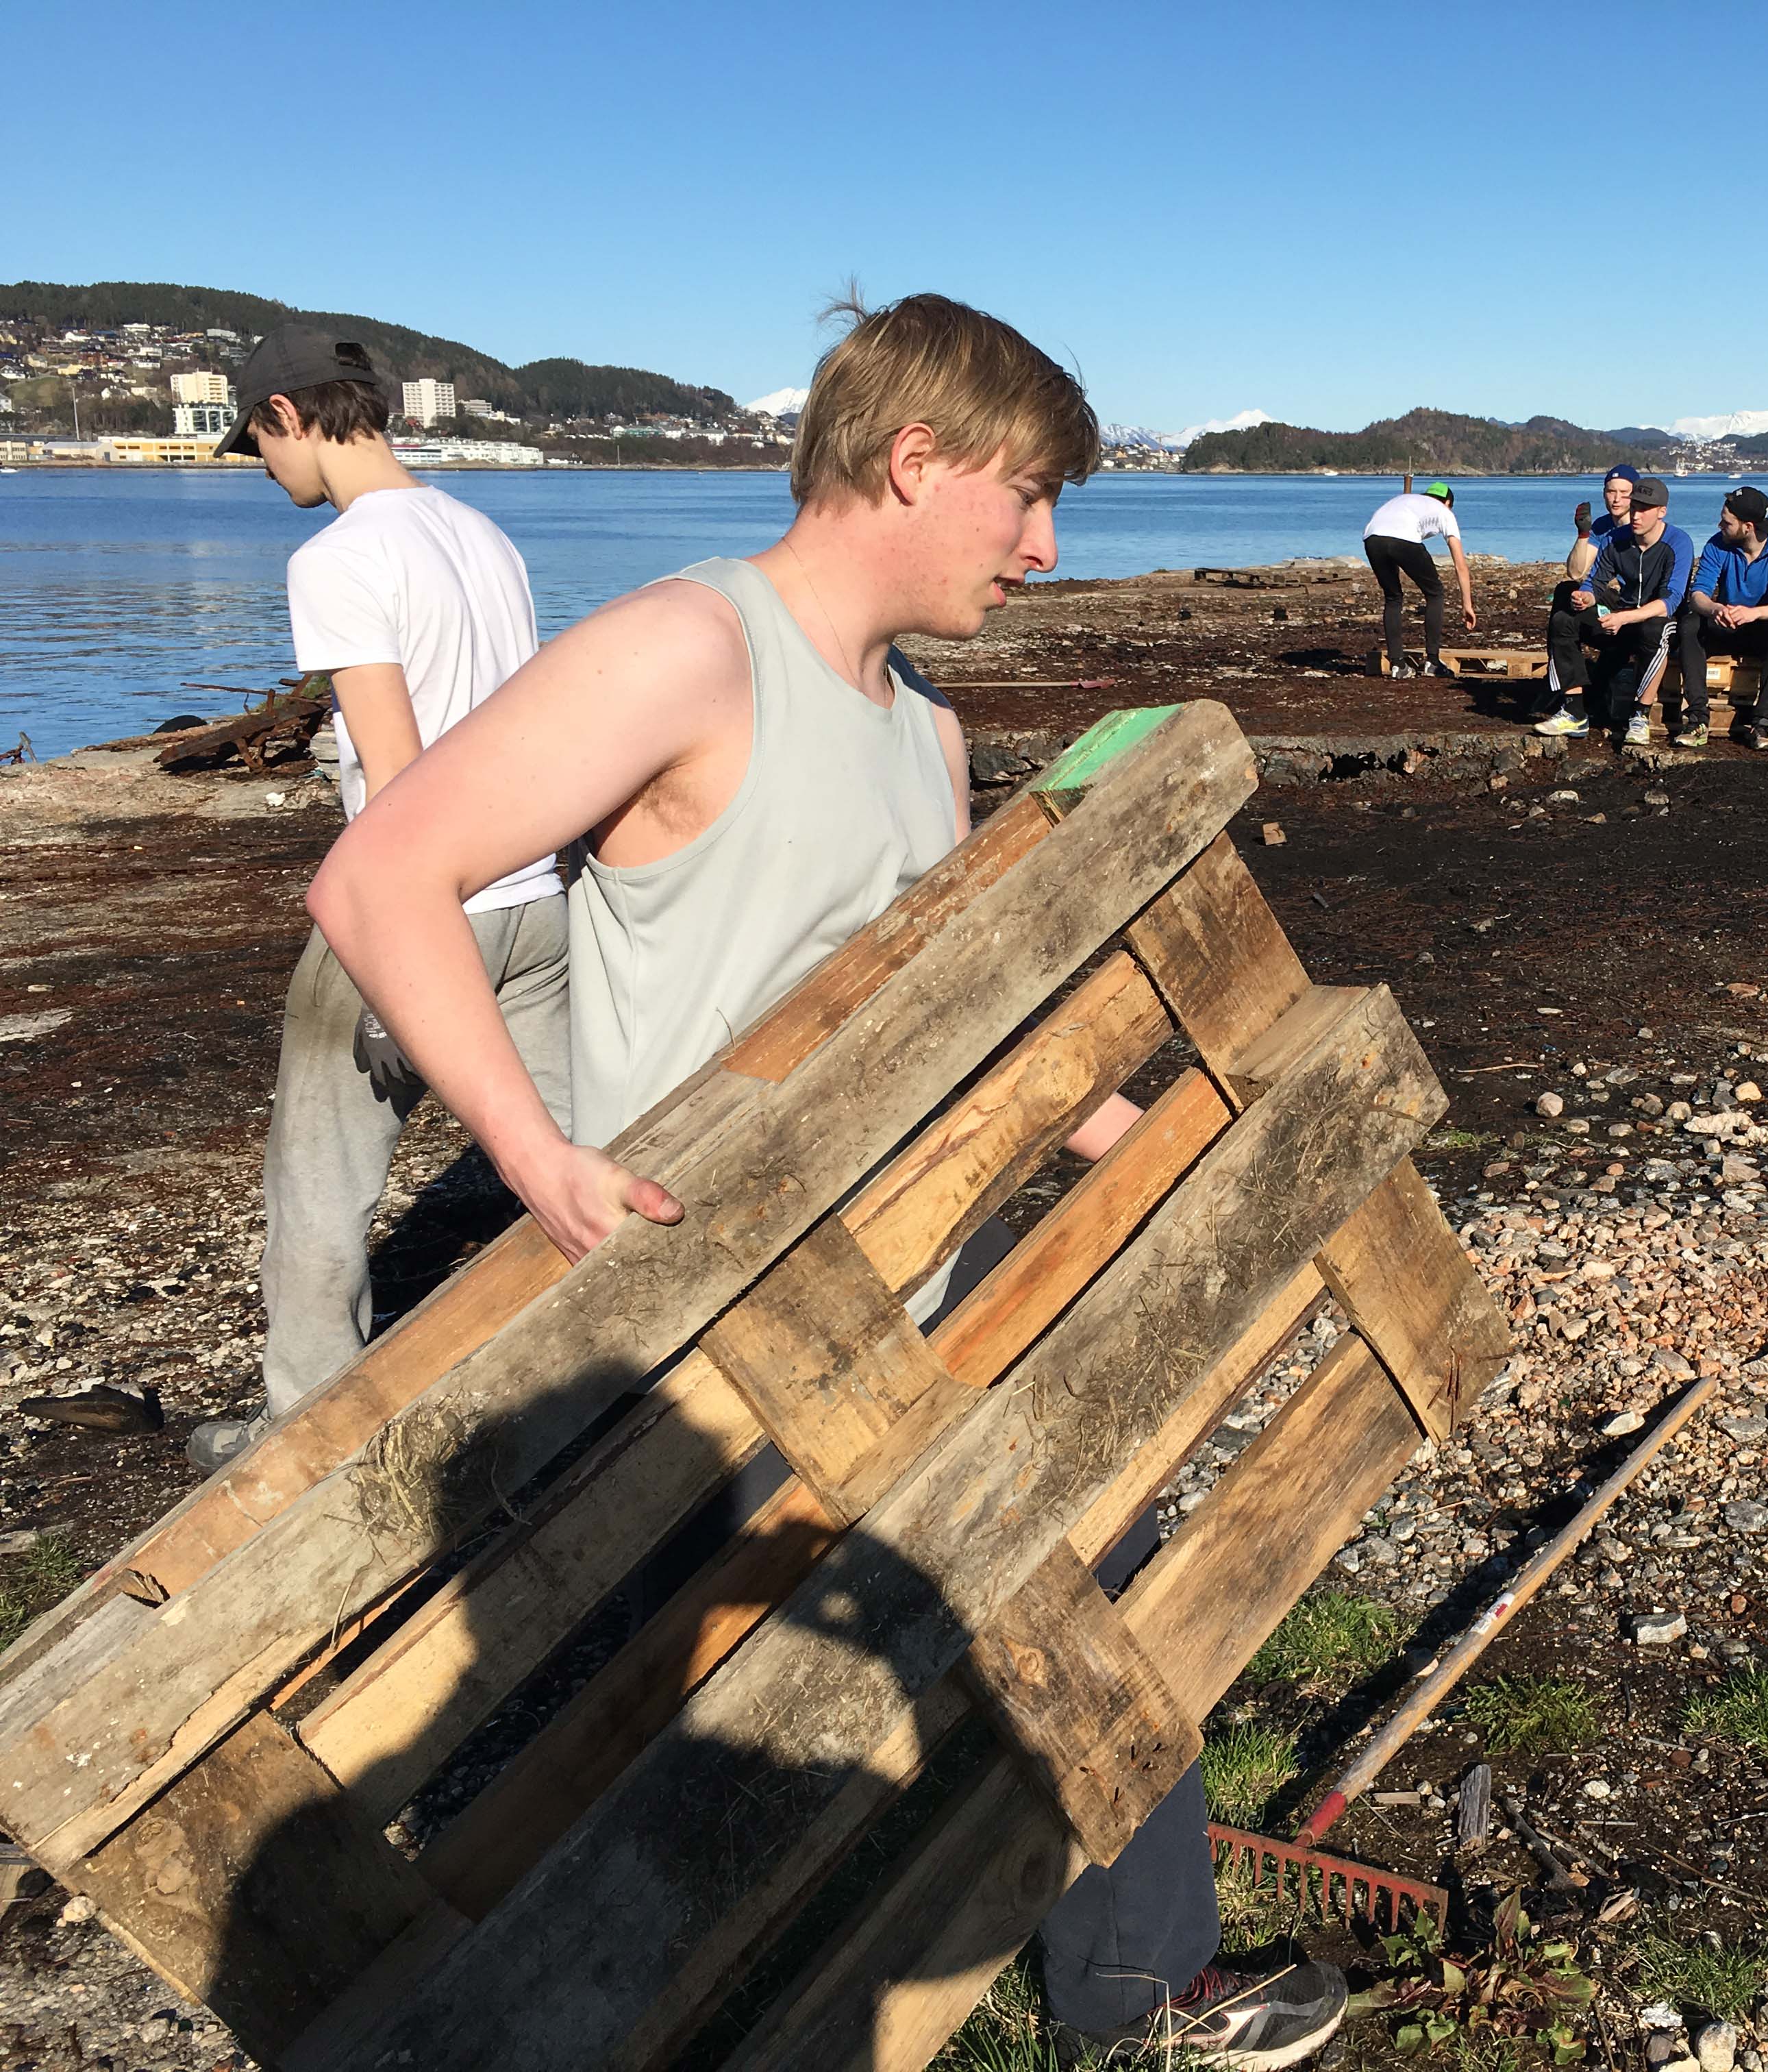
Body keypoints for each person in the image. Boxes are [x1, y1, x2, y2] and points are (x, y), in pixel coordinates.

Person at [306, 292, 1350, 2070]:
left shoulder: (924, 732)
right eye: (1027, 495)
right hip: (704, 1348)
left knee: (1104, 1544)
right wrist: (533, 1149)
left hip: (909, 1300)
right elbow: (381, 877)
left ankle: (1133, 1983)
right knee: (717, 1761)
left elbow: (940, 1033)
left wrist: (1155, 1146)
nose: (1045, 545)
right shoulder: (687, 652)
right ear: (912, 457)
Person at [186, 324, 571, 1472]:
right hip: (536, 892)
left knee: (320, 1178)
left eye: (258, 440)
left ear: (290, 415)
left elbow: (399, 782)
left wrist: (406, 959)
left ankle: (303, 1433)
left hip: (417, 902)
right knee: (566, 1154)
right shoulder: (483, 535)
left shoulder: (341, 557)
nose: (264, 469)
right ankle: (613, 1387)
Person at [1532, 475, 1686, 747]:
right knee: (1564, 619)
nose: (1636, 515)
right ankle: (1574, 710)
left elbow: (1670, 601)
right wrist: (1586, 598)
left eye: (1644, 509)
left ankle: (1640, 715)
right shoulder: (1616, 539)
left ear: (1662, 512)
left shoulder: (1678, 542)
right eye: (1634, 507)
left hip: (1658, 621)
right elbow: (1595, 581)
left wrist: (1624, 618)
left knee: (1656, 628)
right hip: (1622, 614)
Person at [1678, 484, 1768, 751]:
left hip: (1760, 630)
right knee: (1690, 624)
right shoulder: (1717, 544)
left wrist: (1753, 613)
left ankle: (1763, 721)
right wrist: (1715, 609)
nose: (1719, 525)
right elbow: (1698, 594)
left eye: (1726, 522)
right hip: (1725, 625)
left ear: (1748, 526)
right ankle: (1698, 716)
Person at [1532, 462, 1638, 726]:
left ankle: (1560, 685)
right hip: (1602, 599)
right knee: (1564, 596)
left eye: (1624, 493)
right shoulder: (1602, 527)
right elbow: (1577, 572)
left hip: (1632, 606)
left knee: (1564, 615)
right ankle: (1565, 687)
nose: (1616, 499)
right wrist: (1583, 532)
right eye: (1611, 492)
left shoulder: (1641, 526)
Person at [1360, 479, 1475, 676]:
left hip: (1372, 539)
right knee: (1435, 593)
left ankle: (1398, 665)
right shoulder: (1444, 512)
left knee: (1393, 597)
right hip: (1403, 540)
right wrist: (1467, 605)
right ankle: (1432, 662)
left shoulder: (1406, 500)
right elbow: (1460, 565)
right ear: (1447, 503)